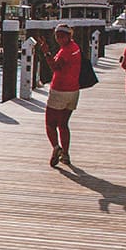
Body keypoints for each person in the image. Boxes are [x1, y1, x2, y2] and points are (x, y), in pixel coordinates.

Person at [37, 23, 81, 167]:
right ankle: (66, 154)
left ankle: (56, 148)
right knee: (63, 124)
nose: (59, 39)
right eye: (57, 36)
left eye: (62, 36)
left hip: (60, 90)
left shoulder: (65, 52)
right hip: (73, 91)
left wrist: (46, 53)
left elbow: (55, 67)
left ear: (69, 36)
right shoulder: (75, 48)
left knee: (50, 124)